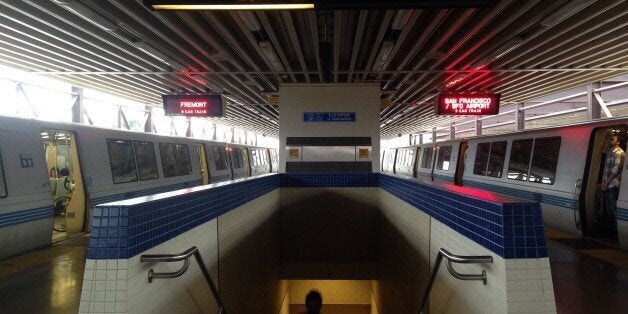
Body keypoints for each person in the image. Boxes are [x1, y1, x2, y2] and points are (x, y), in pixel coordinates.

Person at [601, 134, 625, 218]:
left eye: (612, 139)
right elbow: (602, 149)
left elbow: (616, 170)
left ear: (618, 142)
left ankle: (615, 229)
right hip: (607, 183)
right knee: (608, 209)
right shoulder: (610, 151)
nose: (610, 140)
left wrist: (606, 182)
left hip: (613, 184)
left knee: (613, 209)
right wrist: (604, 182)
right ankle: (610, 227)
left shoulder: (619, 152)